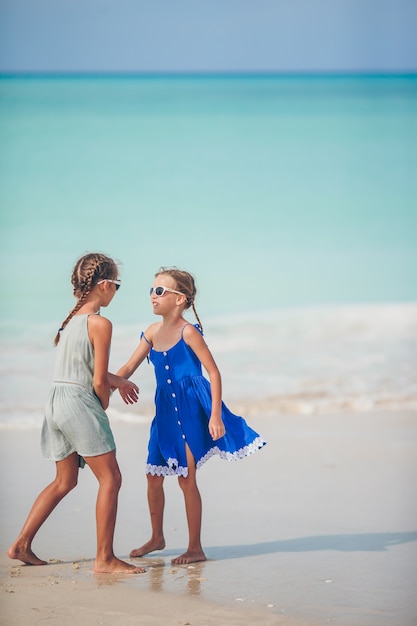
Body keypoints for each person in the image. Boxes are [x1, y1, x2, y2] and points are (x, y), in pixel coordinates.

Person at [116, 267, 266, 565]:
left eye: (160, 291)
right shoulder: (151, 332)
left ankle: (195, 547)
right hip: (165, 415)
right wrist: (103, 383)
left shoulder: (188, 331)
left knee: (186, 477)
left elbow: (213, 371)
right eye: (151, 290)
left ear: (180, 299)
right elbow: (127, 369)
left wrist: (215, 416)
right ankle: (157, 537)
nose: (153, 296)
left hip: (190, 410)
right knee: (152, 476)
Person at [8, 252, 144, 574]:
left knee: (64, 480)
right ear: (106, 285)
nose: (116, 292)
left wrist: (119, 380)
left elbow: (79, 370)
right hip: (79, 403)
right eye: (117, 286)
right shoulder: (101, 323)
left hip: (55, 402)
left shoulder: (69, 323)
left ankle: (22, 544)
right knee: (111, 478)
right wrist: (104, 402)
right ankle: (104, 558)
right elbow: (96, 380)